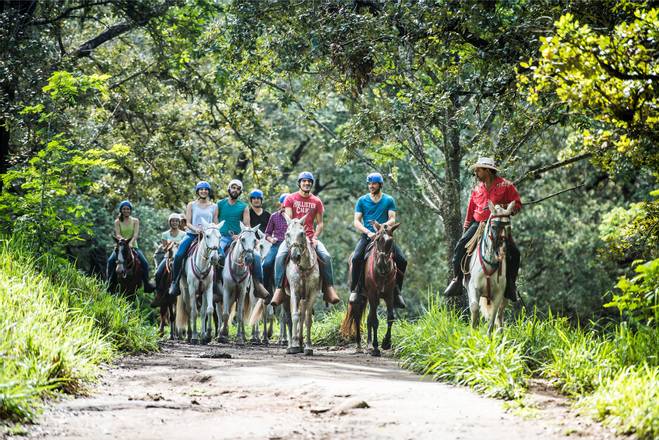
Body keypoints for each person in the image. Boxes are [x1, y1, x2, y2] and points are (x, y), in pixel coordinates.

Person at [444, 157, 522, 300]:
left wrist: (505, 208)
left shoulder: (506, 185)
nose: (476, 173)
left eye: (479, 170)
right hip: (478, 224)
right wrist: (466, 228)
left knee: (515, 252)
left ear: (488, 170)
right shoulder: (477, 189)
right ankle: (456, 280)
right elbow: (470, 211)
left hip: (498, 223)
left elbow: (517, 204)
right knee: (459, 247)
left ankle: (510, 285)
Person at [270, 171, 341, 306]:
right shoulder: (290, 199)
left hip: (309, 237)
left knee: (326, 256)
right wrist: (294, 235)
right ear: (299, 183)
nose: (307, 183)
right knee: (279, 257)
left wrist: (314, 237)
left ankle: (329, 288)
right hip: (293, 239)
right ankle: (279, 289)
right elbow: (289, 221)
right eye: (304, 181)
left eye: (309, 181)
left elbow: (320, 224)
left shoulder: (316, 201)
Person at [349, 172, 407, 308]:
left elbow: (392, 218)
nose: (371, 186)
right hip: (368, 236)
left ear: (380, 185)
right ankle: (355, 290)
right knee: (356, 258)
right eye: (369, 184)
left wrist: (384, 226)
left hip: (384, 236)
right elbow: (356, 221)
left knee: (402, 260)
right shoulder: (362, 201)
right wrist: (368, 232)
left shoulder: (388, 200)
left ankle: (397, 291)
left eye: (374, 183)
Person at [217, 179, 269, 299]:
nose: (235, 190)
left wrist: (241, 236)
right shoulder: (220, 204)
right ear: (229, 189)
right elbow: (215, 221)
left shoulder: (243, 206)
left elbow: (247, 225)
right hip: (223, 237)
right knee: (218, 256)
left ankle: (258, 285)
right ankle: (216, 284)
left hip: (239, 238)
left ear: (240, 192)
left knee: (255, 256)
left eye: (238, 188)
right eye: (233, 187)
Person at [168, 181, 218, 296]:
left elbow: (215, 223)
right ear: (197, 191)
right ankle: (175, 283)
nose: (204, 191)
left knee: (220, 256)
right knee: (179, 254)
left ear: (208, 191)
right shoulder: (191, 205)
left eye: (206, 189)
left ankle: (216, 284)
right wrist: (196, 229)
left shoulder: (214, 206)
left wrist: (212, 230)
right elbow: (188, 222)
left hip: (208, 237)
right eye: (201, 189)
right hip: (192, 234)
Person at [107, 200, 155, 293]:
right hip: (120, 246)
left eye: (128, 209)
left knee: (144, 263)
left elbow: (136, 234)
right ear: (121, 210)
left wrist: (130, 243)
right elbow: (117, 234)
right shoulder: (117, 221)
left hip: (133, 246)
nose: (126, 211)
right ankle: (109, 284)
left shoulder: (135, 221)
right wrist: (123, 242)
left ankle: (147, 284)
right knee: (110, 261)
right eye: (124, 209)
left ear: (130, 210)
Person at [261, 193, 288, 295]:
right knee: (266, 264)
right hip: (277, 244)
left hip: (291, 245)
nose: (285, 206)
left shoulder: (295, 217)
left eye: (287, 203)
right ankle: (265, 290)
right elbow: (267, 233)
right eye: (283, 203)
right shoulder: (274, 216)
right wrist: (271, 239)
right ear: (280, 204)